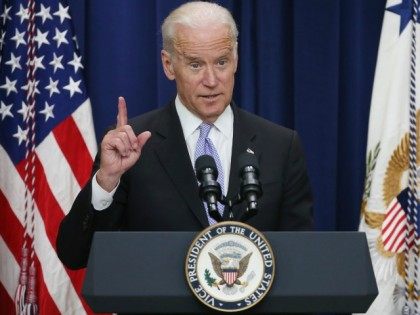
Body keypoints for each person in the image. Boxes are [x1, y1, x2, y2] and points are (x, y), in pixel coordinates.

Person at [57, 1, 313, 270]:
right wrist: (107, 181)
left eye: (222, 62)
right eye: (195, 65)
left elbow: (300, 259)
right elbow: (75, 254)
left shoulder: (281, 147)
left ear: (235, 60)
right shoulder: (132, 147)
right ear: (168, 65)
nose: (212, 80)